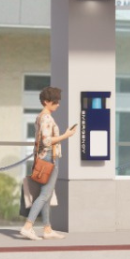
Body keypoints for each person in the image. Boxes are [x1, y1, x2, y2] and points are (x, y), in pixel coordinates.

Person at [18, 86, 77, 241]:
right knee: (44, 195)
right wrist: (66, 135)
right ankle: (28, 226)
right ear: (46, 102)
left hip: (44, 158)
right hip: (48, 158)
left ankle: (47, 228)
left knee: (47, 194)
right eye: (55, 101)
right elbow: (46, 141)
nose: (58, 104)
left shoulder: (42, 117)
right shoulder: (46, 117)